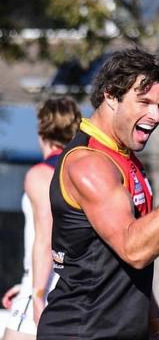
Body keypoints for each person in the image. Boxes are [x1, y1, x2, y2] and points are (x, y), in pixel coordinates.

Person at [37, 48, 159, 340]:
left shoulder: (124, 159)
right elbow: (135, 250)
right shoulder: (89, 163)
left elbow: (133, 268)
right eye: (144, 102)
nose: (155, 115)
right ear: (111, 96)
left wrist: (157, 327)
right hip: (81, 333)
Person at [2, 97, 81, 340]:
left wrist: (36, 291)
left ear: (41, 130)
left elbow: (46, 238)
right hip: (75, 286)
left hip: (45, 286)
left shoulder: (41, 174)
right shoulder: (84, 172)